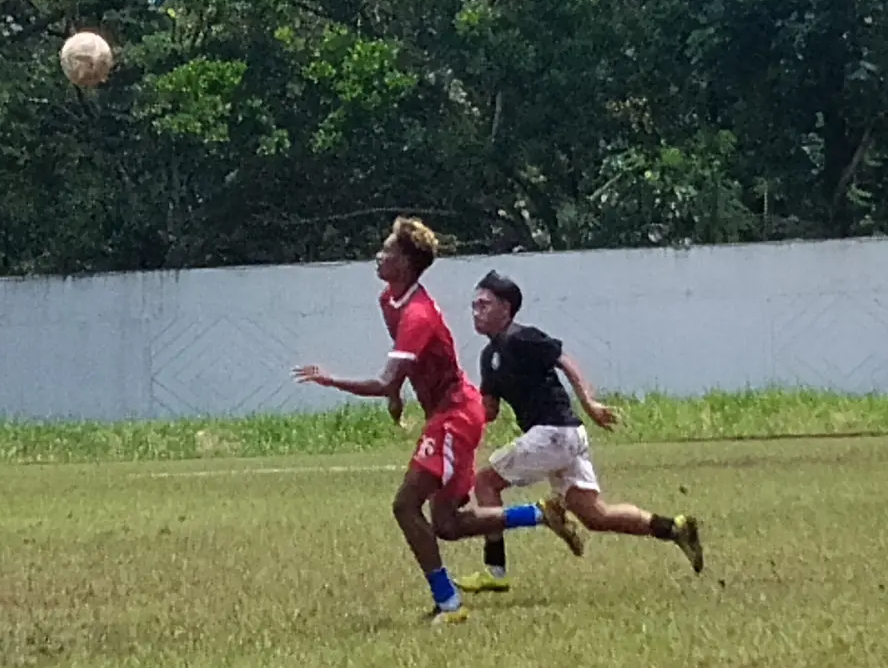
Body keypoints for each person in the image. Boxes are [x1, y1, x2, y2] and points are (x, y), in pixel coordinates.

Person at [292, 218, 584, 625]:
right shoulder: (389, 301)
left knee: (405, 506)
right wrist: (396, 396)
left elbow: (383, 379)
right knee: (446, 524)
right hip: (451, 415)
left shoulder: (418, 315)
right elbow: (401, 366)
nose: (379, 255)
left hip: (454, 416)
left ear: (407, 264)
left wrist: (332, 379)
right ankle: (539, 514)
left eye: (388, 250)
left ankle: (448, 604)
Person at [452, 270, 704, 596]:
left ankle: (496, 571)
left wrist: (589, 401)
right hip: (560, 438)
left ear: (506, 307)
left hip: (556, 432)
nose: (476, 311)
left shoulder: (523, 338)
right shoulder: (490, 356)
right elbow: (489, 410)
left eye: (484, 304)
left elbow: (564, 360)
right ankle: (676, 527)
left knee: (485, 482)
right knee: (595, 516)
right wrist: (455, 415)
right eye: (474, 305)